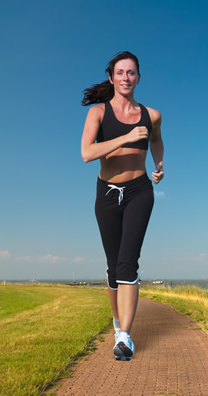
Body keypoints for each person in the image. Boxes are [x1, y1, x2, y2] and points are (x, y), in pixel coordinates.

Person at [81, 51, 164, 361]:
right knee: (113, 266)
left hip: (140, 190)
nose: (126, 78)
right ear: (112, 77)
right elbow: (87, 153)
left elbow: (156, 139)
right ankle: (118, 325)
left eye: (131, 73)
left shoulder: (152, 114)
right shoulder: (99, 114)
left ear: (138, 78)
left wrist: (159, 163)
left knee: (128, 262)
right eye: (121, 72)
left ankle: (125, 336)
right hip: (107, 193)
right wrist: (126, 137)